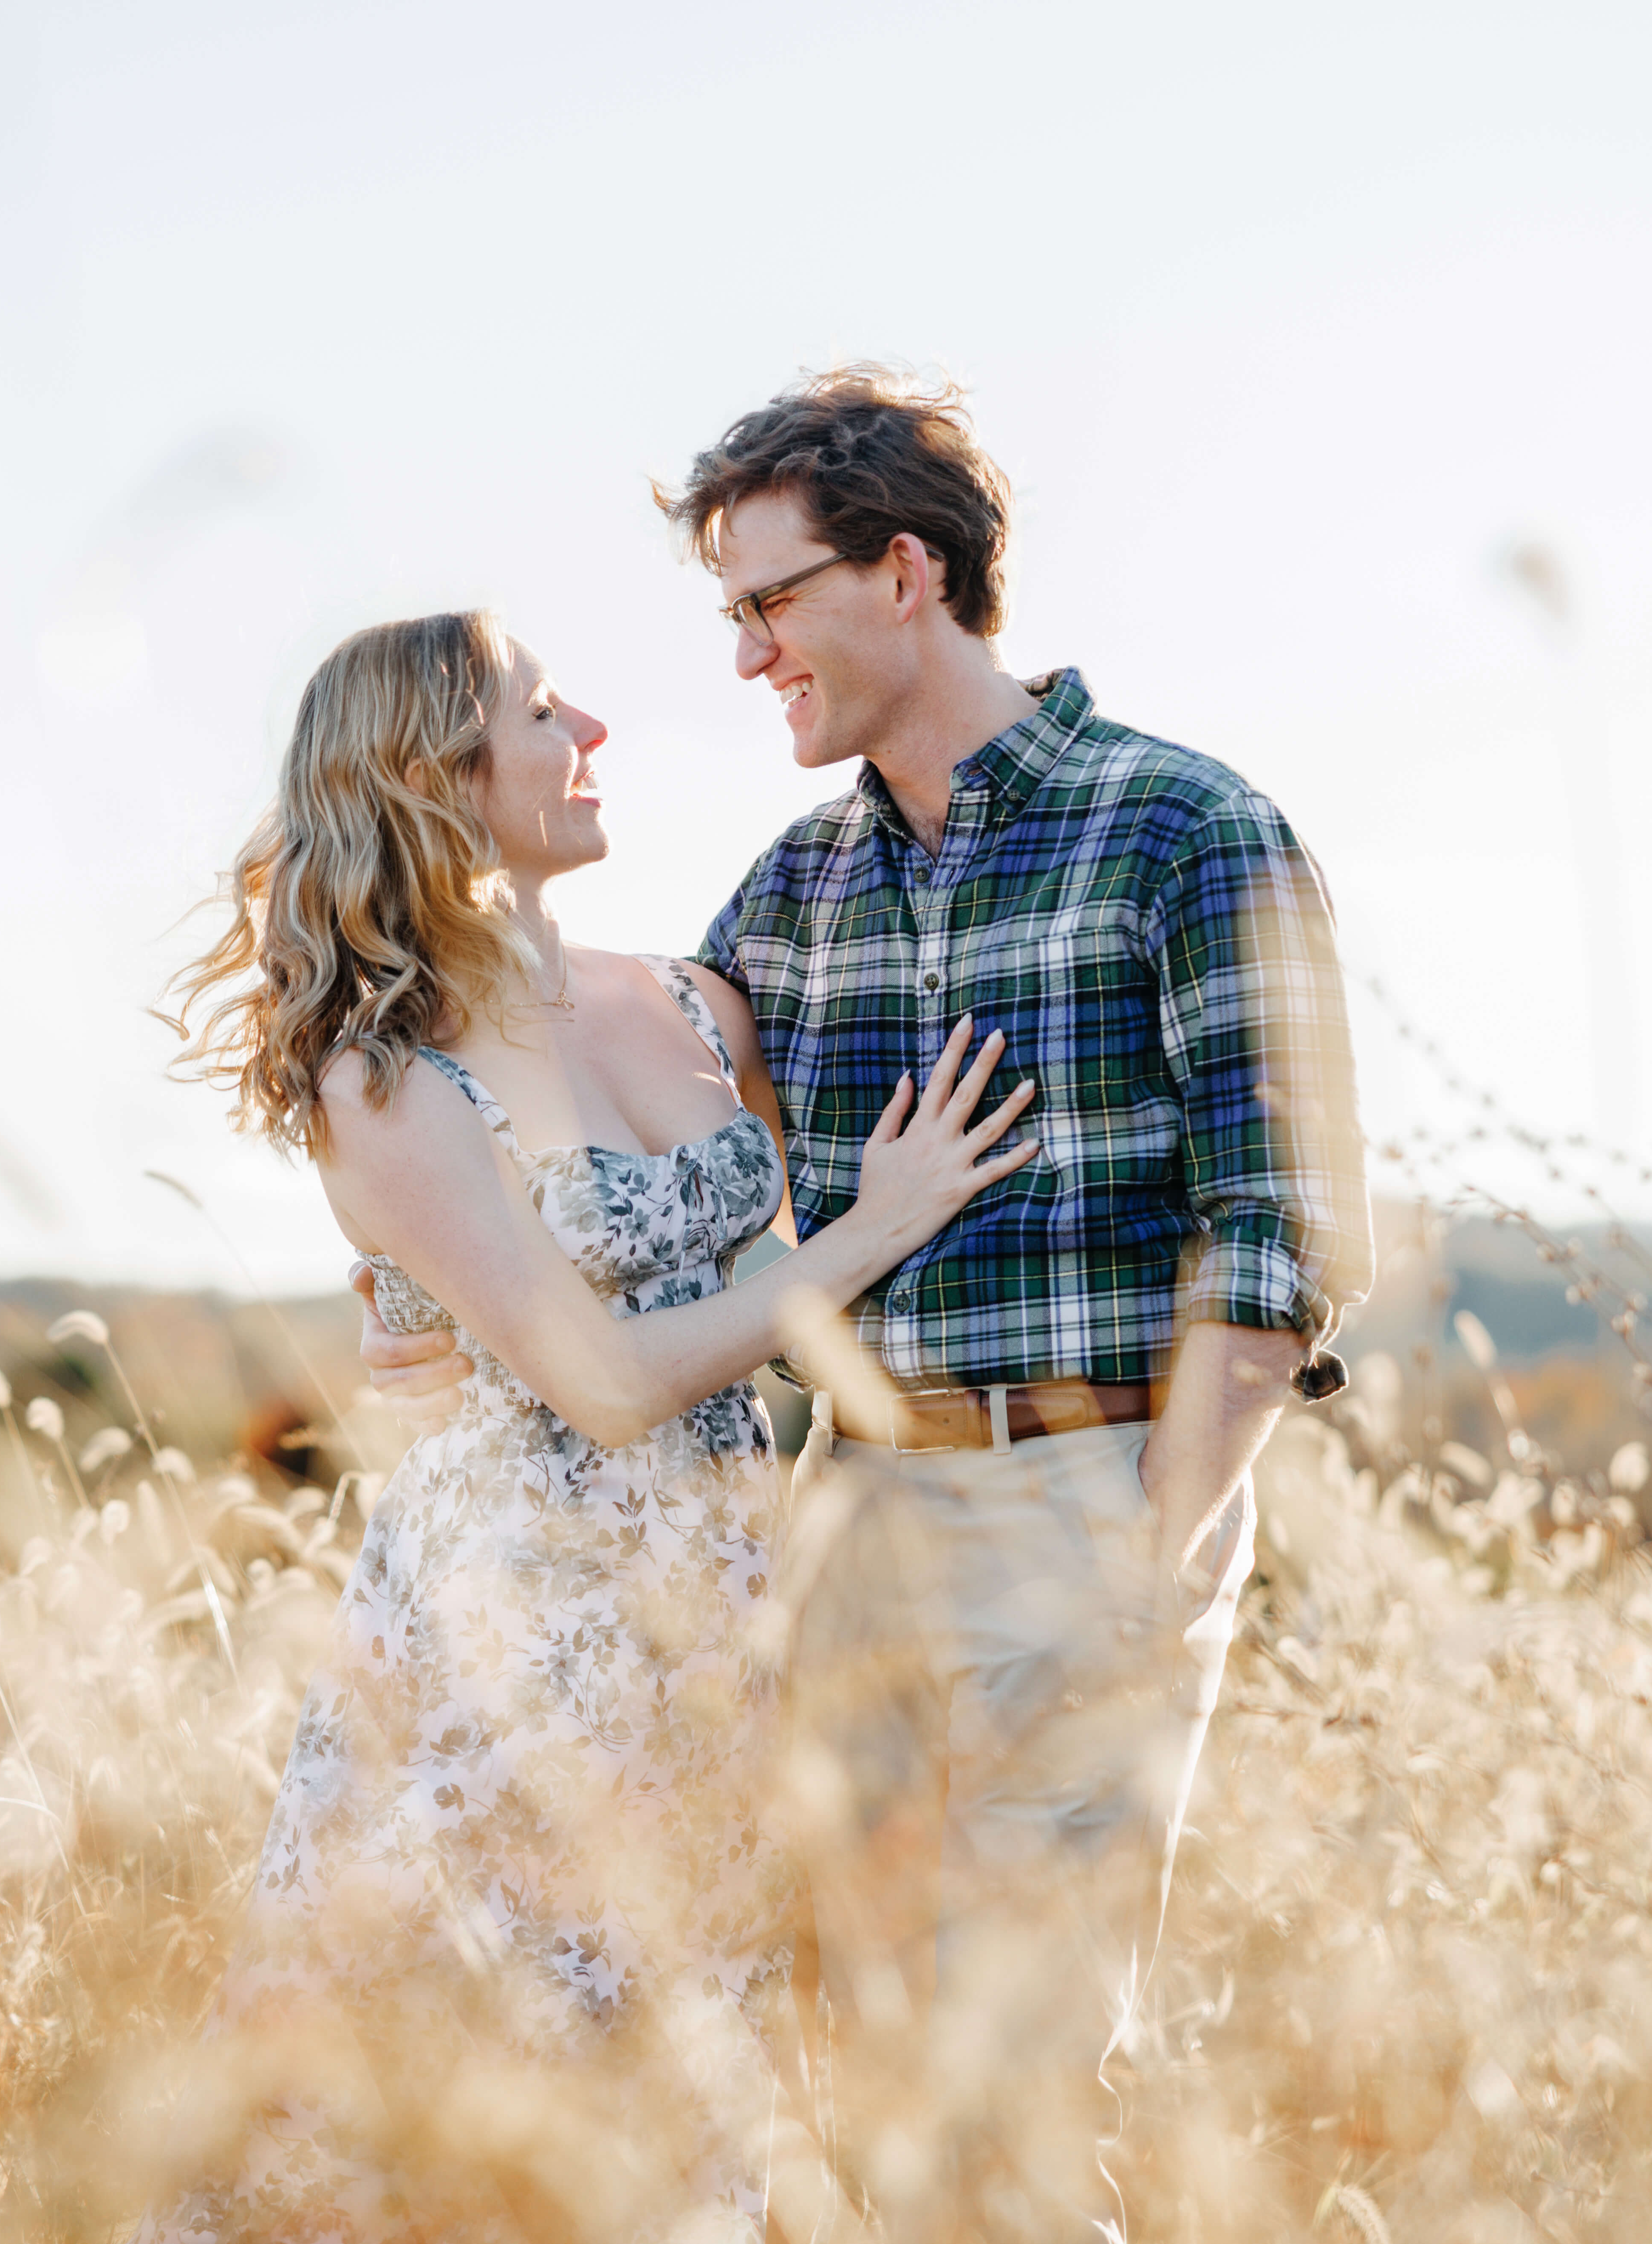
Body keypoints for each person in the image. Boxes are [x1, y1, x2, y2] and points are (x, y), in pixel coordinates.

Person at [356, 368, 1374, 2236]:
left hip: (1085, 1497)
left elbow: (1280, 1240)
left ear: (906, 572)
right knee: (851, 2085)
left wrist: (1153, 1554)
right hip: (835, 1538)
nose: (747, 656)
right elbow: (606, 1126)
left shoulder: (1185, 831)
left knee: (1025, 2073)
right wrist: (424, 1291)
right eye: (730, 614)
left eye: (772, 602)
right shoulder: (792, 898)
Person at [146, 608, 1039, 2241]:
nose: (596, 732)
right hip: (518, 1631)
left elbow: (714, 1265)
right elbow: (611, 1382)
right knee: (481, 2069)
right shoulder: (385, 1075)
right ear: (441, 779)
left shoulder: (687, 1001)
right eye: (546, 713)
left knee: (685, 2078)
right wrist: (873, 1229)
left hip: (715, 1616)